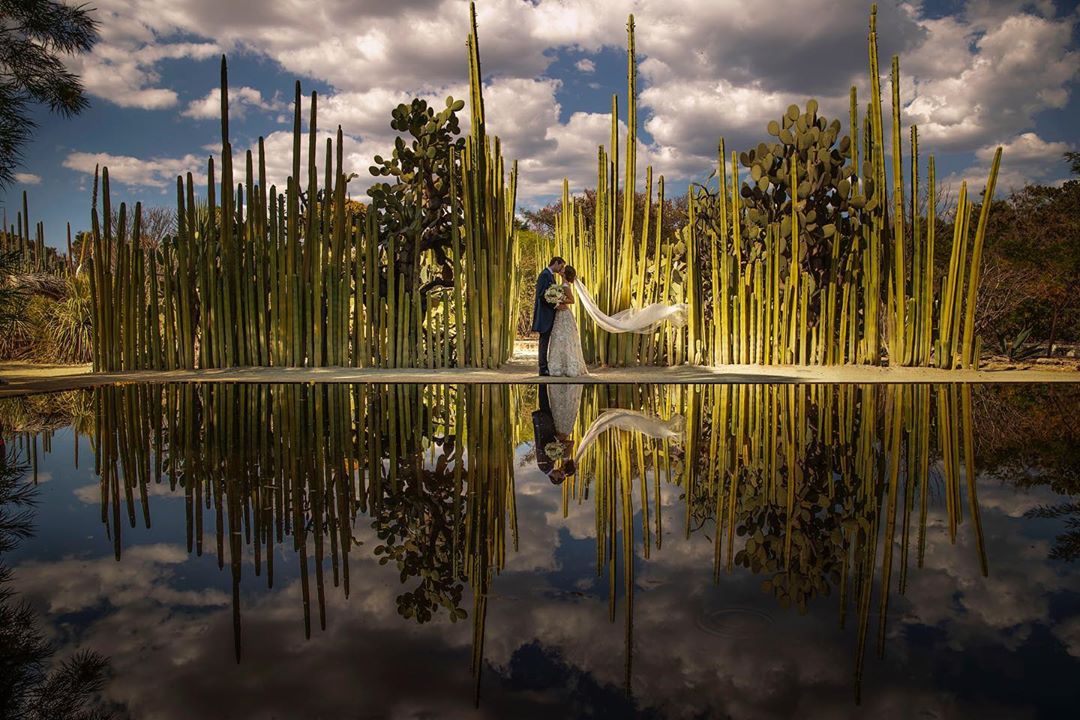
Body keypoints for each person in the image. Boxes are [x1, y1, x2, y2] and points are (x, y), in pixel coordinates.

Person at [546, 265, 589, 377]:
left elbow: (572, 300)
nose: (561, 270)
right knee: (560, 338)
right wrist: (557, 301)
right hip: (560, 313)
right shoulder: (562, 284)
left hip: (564, 314)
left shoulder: (565, 285)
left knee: (564, 338)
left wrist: (559, 299)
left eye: (563, 270)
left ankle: (567, 366)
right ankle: (561, 365)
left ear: (565, 274)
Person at [532, 256, 565, 376]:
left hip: (549, 314)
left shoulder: (550, 275)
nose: (561, 269)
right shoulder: (544, 275)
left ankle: (546, 366)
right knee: (544, 341)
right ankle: (542, 368)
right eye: (561, 266)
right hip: (545, 314)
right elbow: (542, 295)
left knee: (546, 341)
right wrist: (555, 305)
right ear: (556, 263)